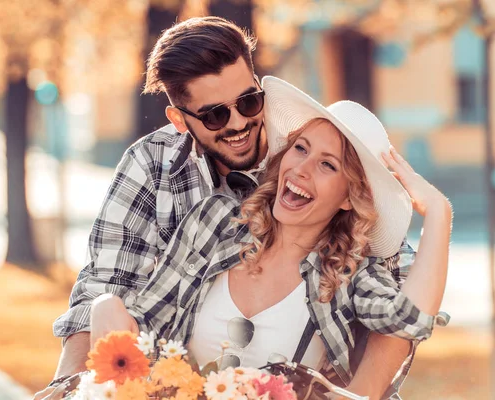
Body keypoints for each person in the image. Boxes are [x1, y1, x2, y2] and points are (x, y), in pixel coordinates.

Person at [35, 17, 417, 400]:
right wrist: (67, 386)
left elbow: (400, 296)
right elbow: (106, 285)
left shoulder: (309, 150)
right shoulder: (153, 165)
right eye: (215, 114)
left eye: (249, 101)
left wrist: (360, 395)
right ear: (180, 120)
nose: (239, 123)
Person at [89, 76, 452, 397]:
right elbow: (145, 324)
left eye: (328, 165)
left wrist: (438, 212)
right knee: (105, 306)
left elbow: (410, 321)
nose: (302, 169)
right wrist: (105, 311)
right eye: (301, 148)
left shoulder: (350, 275)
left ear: (347, 198)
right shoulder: (215, 223)